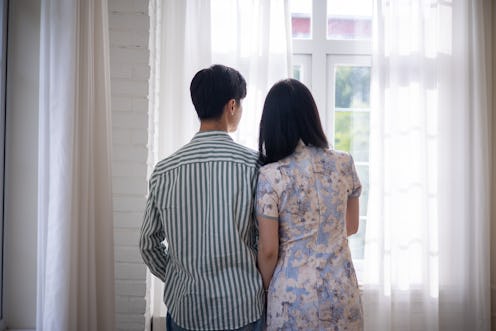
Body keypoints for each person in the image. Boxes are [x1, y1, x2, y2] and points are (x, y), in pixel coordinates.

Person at [139, 64, 264, 331]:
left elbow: (148, 244)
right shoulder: (253, 166)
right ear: (232, 106)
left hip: (186, 308)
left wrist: (176, 277)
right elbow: (265, 240)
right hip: (241, 307)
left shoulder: (165, 170)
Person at [255, 79, 363, 330]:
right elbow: (352, 226)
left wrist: (267, 289)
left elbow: (269, 249)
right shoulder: (344, 163)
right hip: (342, 292)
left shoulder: (271, 175)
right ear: (311, 116)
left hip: (293, 299)